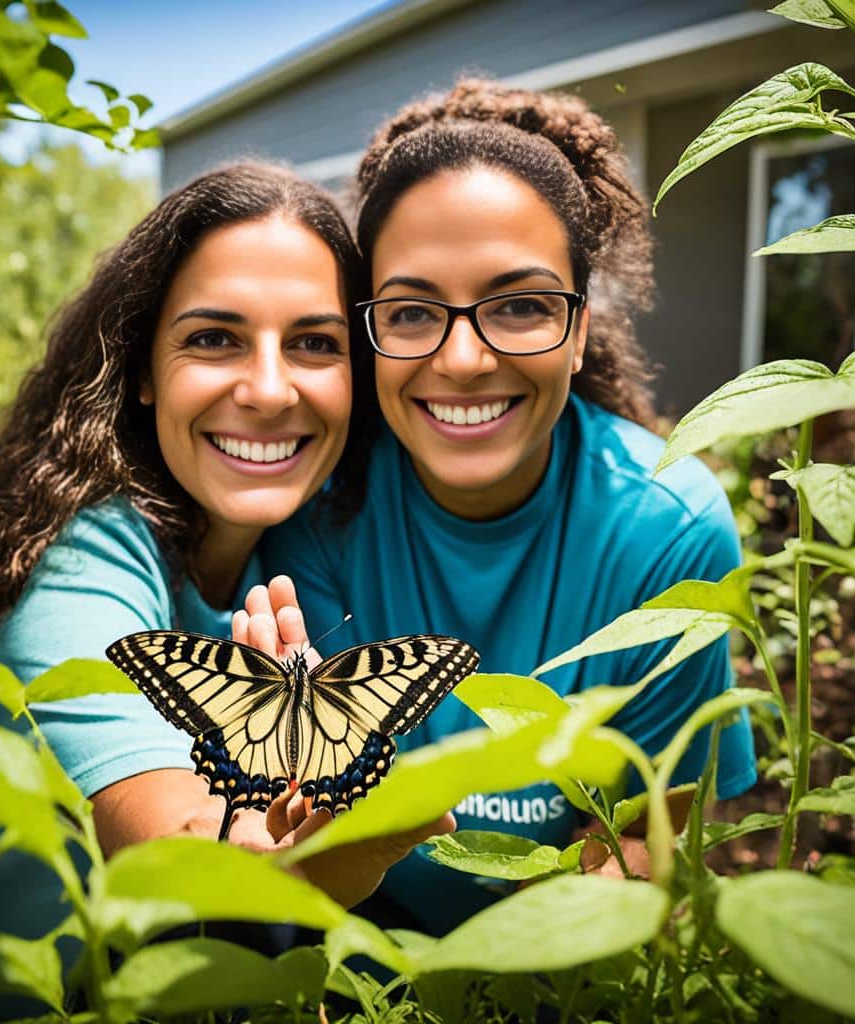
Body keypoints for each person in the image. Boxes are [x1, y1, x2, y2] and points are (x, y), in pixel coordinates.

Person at [0, 163, 451, 967]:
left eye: (315, 343)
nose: (267, 389)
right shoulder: (77, 555)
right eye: (214, 338)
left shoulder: (294, 554)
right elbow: (168, 844)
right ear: (144, 370)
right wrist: (280, 853)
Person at [254, 79, 757, 935]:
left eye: (521, 306)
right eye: (411, 311)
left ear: (581, 325)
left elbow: (646, 847)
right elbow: (293, 849)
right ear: (366, 325)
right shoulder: (321, 507)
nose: (462, 359)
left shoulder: (666, 528)